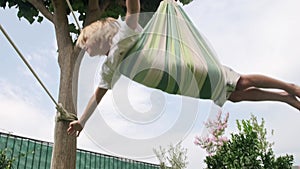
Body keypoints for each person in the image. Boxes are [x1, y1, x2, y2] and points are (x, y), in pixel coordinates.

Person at [67, 0, 300, 137]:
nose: (85, 52)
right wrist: (82, 122)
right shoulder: (109, 66)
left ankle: (290, 88)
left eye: (85, 45)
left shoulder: (123, 37)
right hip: (183, 84)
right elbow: (97, 95)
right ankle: (285, 98)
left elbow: (132, 9)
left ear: (97, 37)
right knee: (235, 96)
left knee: (239, 82)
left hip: (185, 69)